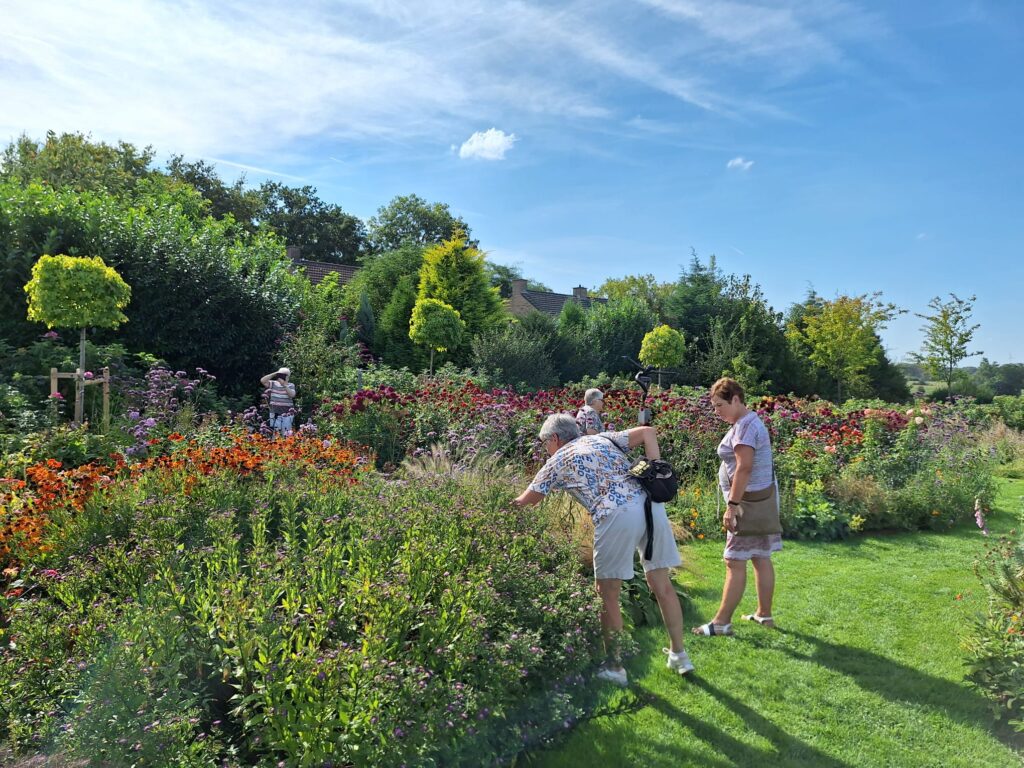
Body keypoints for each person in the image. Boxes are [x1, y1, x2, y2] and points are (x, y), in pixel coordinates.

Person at [513, 413, 693, 686]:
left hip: (616, 513)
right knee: (661, 582)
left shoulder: (557, 460)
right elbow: (648, 431)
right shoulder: (602, 438)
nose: (544, 449)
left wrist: (493, 508)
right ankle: (679, 655)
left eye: (544, 443)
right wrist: (654, 469)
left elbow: (527, 501)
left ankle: (615, 668)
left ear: (555, 438)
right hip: (651, 505)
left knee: (607, 593)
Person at [693, 377, 780, 637]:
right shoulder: (750, 422)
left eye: (720, 405)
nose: (716, 411)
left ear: (736, 400)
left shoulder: (744, 427)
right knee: (760, 557)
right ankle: (764, 615)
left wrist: (732, 505)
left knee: (734, 561)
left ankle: (721, 623)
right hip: (761, 502)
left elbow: (744, 467)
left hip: (747, 505)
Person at [260, 367, 296, 436]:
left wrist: (284, 385)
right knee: (276, 433)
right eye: (282, 375)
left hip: (287, 413)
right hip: (275, 412)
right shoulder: (273, 383)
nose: (283, 377)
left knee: (287, 433)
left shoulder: (291, 385)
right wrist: (275, 373)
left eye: (285, 375)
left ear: (288, 377)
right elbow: (263, 380)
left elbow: (292, 395)